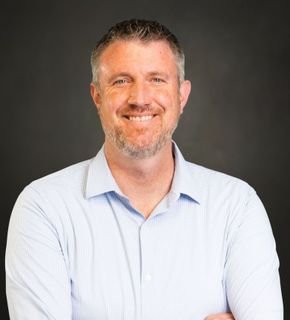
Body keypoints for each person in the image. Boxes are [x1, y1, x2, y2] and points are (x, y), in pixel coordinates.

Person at [5, 19, 283, 320]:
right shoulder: (43, 208)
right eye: (121, 81)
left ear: (182, 96)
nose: (139, 99)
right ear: (97, 96)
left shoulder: (237, 207)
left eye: (157, 79)